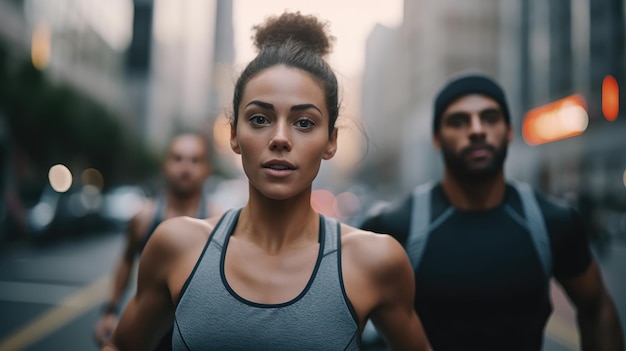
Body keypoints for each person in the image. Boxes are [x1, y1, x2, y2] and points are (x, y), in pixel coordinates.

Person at [102, 12, 431, 351]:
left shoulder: (375, 260)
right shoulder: (177, 246)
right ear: (233, 136)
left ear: (331, 141)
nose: (280, 138)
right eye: (259, 119)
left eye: (304, 123)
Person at [360, 73, 624, 350]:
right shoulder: (395, 226)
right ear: (437, 138)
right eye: (458, 121)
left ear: (509, 132)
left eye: (490, 118)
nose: (476, 130)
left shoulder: (553, 223)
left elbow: (598, 309)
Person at [94, 132, 213, 348]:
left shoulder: (218, 220)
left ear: (207, 169)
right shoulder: (143, 218)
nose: (186, 167)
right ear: (165, 165)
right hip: (147, 333)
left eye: (195, 160)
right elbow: (127, 259)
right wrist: (110, 311)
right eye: (178, 158)